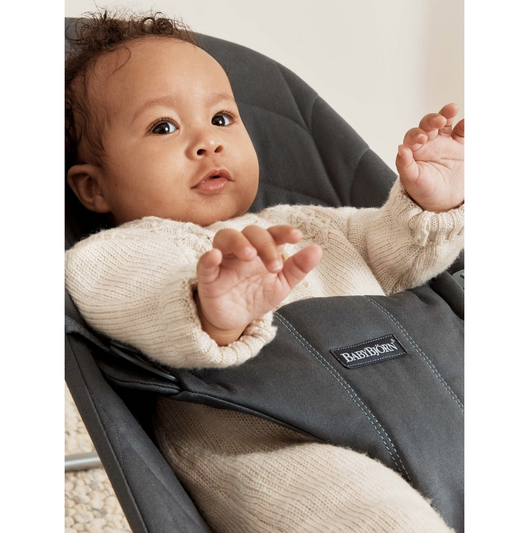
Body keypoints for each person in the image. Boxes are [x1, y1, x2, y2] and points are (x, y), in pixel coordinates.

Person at [65, 11, 464, 532]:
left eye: (222, 118)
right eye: (163, 126)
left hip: (417, 400)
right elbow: (134, 301)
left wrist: (426, 205)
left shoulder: (305, 223)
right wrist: (210, 308)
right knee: (378, 519)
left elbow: (396, 258)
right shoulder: (110, 254)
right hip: (262, 441)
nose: (208, 142)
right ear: (94, 187)